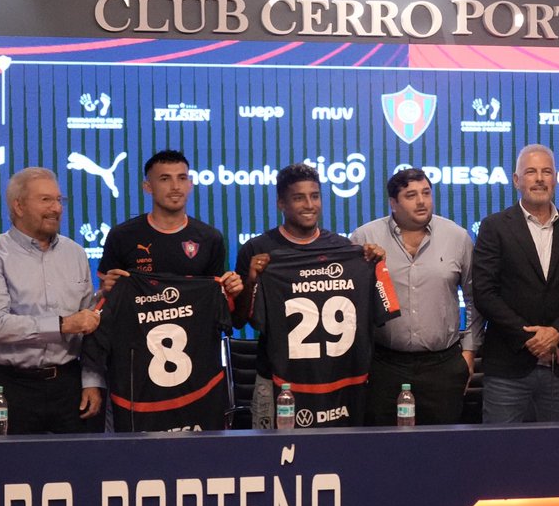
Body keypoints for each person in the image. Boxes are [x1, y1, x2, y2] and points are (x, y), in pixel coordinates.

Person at [233, 162, 383, 429]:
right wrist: (253, 279)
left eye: (314, 196)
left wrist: (374, 263)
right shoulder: (256, 249)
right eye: (298, 198)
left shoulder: (343, 247)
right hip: (278, 379)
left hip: (338, 380)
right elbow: (239, 319)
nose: (309, 205)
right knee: (271, 457)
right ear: (281, 203)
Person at [0, 167, 104, 434]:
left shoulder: (75, 253)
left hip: (69, 386)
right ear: (18, 206)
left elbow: (88, 324)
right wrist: (63, 324)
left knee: (79, 471)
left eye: (59, 200)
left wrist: (91, 380)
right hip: (9, 388)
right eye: (45, 200)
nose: (56, 208)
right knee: (7, 472)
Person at [473, 144, 559, 423]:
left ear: (556, 179)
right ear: (516, 180)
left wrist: (556, 332)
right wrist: (530, 338)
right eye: (531, 172)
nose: (539, 178)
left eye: (546, 171)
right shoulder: (494, 227)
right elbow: (484, 292)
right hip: (507, 367)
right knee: (500, 454)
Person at [350, 168, 482, 425]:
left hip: (443, 365)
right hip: (385, 365)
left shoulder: (457, 237)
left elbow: (475, 297)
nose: (421, 201)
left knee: (442, 449)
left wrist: (469, 351)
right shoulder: (365, 238)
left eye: (426, 193)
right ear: (393, 203)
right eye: (411, 195)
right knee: (385, 448)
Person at [97, 149, 243, 298]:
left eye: (182, 178)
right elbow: (104, 296)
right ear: (147, 187)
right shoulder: (121, 236)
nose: (175, 186)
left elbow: (217, 296)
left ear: (190, 184)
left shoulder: (210, 238)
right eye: (165, 179)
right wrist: (106, 291)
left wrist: (232, 289)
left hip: (195, 322)